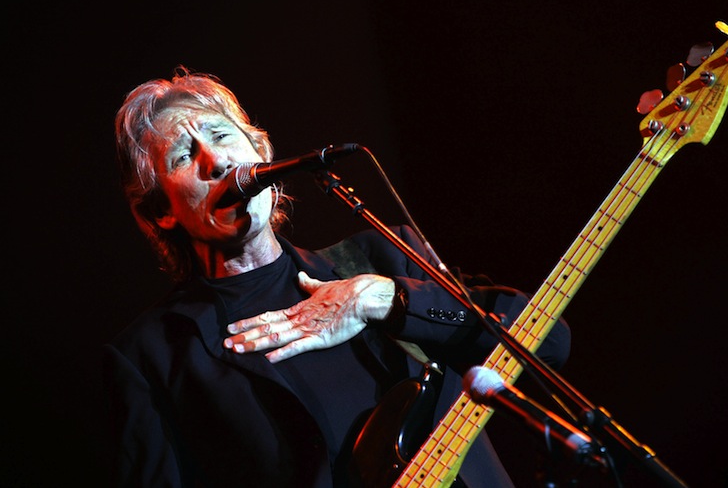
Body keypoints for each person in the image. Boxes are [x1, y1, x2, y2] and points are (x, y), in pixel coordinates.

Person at [102, 67, 572, 487]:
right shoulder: (152, 357)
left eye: (221, 136)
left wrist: (384, 299)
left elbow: (547, 341)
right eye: (184, 156)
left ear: (261, 153)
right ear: (161, 210)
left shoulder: (381, 259)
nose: (218, 162)